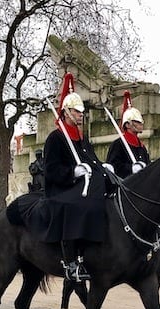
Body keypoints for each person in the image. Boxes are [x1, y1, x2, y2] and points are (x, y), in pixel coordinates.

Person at [40, 73, 113, 282]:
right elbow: (51, 170)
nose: (81, 114)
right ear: (66, 112)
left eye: (81, 111)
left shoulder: (81, 138)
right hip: (62, 189)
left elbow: (91, 159)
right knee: (76, 206)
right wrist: (72, 173)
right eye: (76, 111)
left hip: (83, 184)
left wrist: (102, 167)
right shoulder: (56, 138)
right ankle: (71, 261)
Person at [106, 92, 150, 178]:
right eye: (137, 122)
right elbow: (113, 167)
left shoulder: (142, 147)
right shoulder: (118, 144)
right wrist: (130, 168)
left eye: (140, 122)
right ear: (127, 125)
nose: (141, 124)